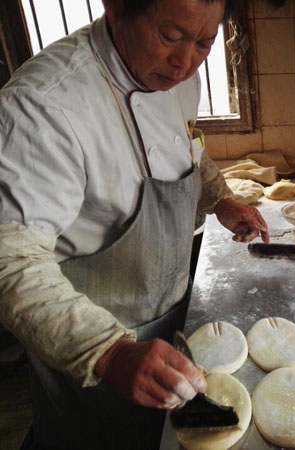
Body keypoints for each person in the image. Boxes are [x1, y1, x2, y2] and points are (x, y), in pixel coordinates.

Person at [0, 0, 268, 448]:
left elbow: (188, 146)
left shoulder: (179, 79)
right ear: (117, 7)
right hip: (88, 351)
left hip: (170, 317)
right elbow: (11, 261)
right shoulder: (42, 105)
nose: (185, 63)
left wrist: (219, 198)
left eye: (204, 43)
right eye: (170, 36)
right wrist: (109, 351)